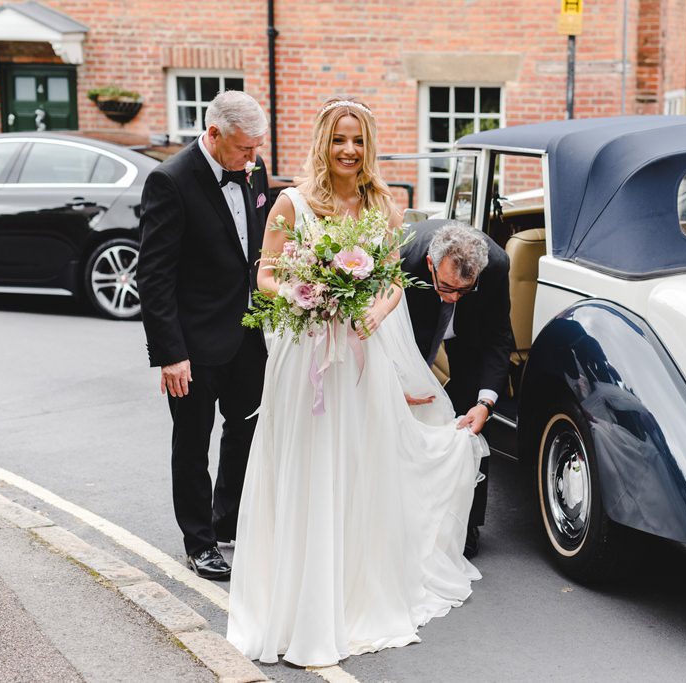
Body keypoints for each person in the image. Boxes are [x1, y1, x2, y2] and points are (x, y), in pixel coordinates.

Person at [225, 97, 485, 667]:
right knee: (309, 464)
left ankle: (351, 595)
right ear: (324, 142)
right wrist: (304, 293)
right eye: (340, 139)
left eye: (359, 140)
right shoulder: (291, 204)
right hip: (306, 357)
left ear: (368, 147)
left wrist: (379, 310)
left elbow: (392, 280)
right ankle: (294, 603)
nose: (349, 150)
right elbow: (264, 276)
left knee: (357, 468)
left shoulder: (383, 206)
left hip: (360, 357)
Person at [135, 90, 274, 581]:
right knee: (193, 443)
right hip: (192, 346)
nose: (253, 159)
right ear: (214, 134)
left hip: (250, 336)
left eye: (257, 148)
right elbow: (154, 277)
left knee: (245, 432)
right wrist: (170, 354)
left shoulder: (253, 171)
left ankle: (227, 520)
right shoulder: (169, 180)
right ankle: (199, 543)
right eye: (244, 149)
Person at [397, 220, 512, 558]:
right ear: (432, 265)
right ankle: (404, 515)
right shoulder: (406, 255)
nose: (453, 297)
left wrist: (486, 403)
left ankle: (466, 525)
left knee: (468, 428)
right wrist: (393, 380)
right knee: (405, 420)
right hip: (412, 335)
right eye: (447, 287)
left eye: (464, 290)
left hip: (469, 342)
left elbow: (498, 338)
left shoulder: (496, 264)